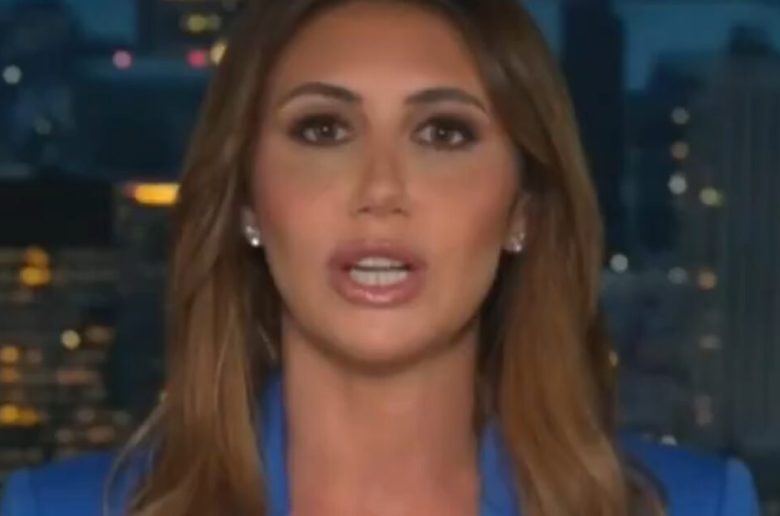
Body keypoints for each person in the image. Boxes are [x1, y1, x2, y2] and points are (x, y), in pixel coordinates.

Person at [0, 0, 760, 515]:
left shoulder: (696, 506)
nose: (381, 190)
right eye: (324, 130)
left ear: (522, 210)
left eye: (444, 134)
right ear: (246, 202)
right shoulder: (56, 510)